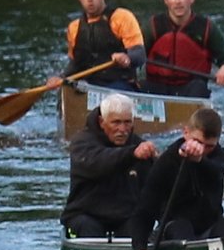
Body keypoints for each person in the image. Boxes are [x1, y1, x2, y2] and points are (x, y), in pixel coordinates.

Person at [129, 106, 224, 250]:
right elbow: (143, 211)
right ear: (185, 132)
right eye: (197, 142)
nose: (203, 149)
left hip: (207, 229)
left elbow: (217, 171)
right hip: (172, 231)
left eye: (209, 146)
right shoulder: (166, 162)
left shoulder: (219, 157)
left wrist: (200, 160)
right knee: (181, 227)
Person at [64, 92, 157, 236]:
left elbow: (156, 184)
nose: (122, 129)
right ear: (102, 122)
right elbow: (99, 162)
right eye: (116, 122)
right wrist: (131, 154)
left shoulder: (139, 146)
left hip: (125, 216)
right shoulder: (81, 143)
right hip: (86, 214)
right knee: (88, 228)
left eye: (127, 122)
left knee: (138, 228)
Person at [139, 0, 224, 96]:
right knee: (139, 86)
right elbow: (136, 53)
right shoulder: (152, 27)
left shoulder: (206, 28)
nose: (178, 1)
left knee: (199, 88)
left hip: (191, 88)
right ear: (165, 0)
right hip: (157, 86)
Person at [64, 0, 144, 87]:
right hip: (88, 84)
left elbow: (139, 54)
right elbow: (75, 63)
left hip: (119, 83)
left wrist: (127, 58)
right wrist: (61, 77)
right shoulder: (74, 27)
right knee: (65, 89)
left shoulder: (122, 17)